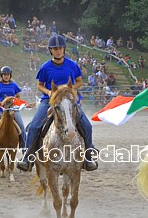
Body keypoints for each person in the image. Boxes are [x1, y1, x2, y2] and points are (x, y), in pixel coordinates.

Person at [17, 34, 98, 172]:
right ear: (50, 50)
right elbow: (39, 85)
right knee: (35, 126)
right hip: (50, 102)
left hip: (69, 102)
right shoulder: (45, 67)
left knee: (87, 126)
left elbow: (79, 82)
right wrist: (49, 92)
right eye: (55, 49)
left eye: (60, 48)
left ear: (64, 49)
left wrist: (70, 89)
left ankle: (89, 156)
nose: (58, 50)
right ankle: (27, 158)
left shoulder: (72, 65)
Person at [0, 66, 27, 150]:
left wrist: (14, 102)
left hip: (12, 109)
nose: (6, 76)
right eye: (4, 74)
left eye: (8, 74)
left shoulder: (14, 85)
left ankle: (24, 145)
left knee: (21, 126)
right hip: (0, 110)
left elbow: (18, 96)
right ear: (1, 75)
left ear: (10, 75)